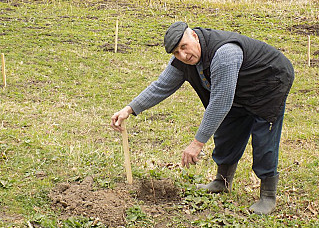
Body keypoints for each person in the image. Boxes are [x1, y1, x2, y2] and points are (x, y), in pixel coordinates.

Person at [110, 22, 294, 215]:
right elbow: (161, 86)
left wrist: (197, 143)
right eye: (176, 53)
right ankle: (222, 182)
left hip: (269, 83)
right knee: (227, 131)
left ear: (195, 37)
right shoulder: (183, 61)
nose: (183, 55)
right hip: (239, 89)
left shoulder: (224, 54)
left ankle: (268, 196)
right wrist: (129, 109)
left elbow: (221, 102)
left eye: (183, 47)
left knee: (265, 139)